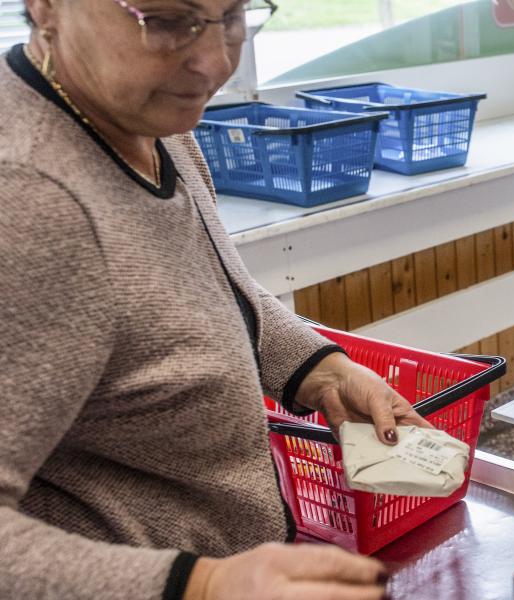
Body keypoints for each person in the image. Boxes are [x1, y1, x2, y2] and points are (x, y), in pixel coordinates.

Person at [1, 1, 431, 598]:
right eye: (166, 20)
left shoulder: (149, 118)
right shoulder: (29, 202)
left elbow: (202, 289)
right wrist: (203, 585)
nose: (214, 61)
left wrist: (325, 373)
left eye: (231, 15)